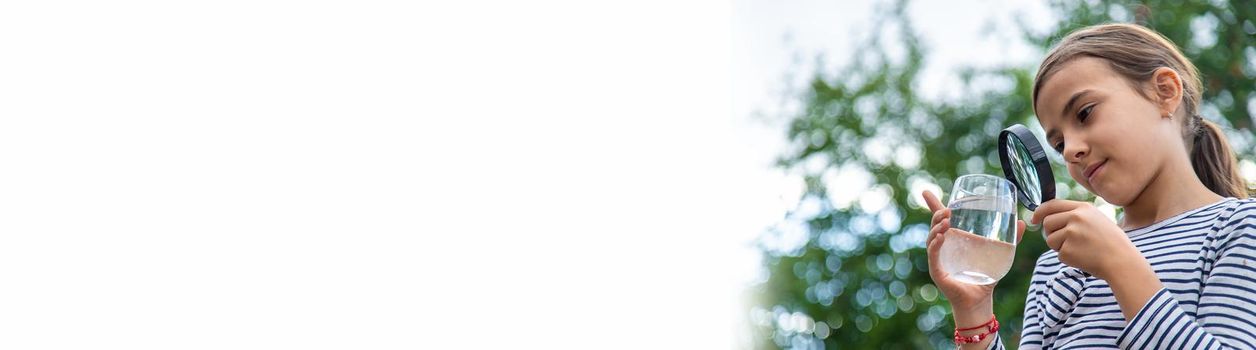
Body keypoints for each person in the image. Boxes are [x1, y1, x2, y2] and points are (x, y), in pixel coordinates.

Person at [920, 23, 1256, 349]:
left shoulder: (1239, 227)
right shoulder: (1056, 266)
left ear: (1164, 92)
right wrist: (973, 312)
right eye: (1058, 143)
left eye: (1084, 113)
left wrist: (1118, 263)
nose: (1070, 150)